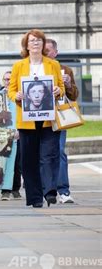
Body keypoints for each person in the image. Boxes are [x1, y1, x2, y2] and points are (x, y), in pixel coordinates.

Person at [8, 29, 64, 208]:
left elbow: (61, 87)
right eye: (32, 40)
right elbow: (11, 89)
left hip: (48, 118)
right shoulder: (19, 66)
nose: (35, 43)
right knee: (28, 159)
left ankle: (49, 192)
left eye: (39, 40)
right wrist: (16, 96)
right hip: (27, 119)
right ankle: (35, 197)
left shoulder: (53, 64)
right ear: (26, 45)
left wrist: (58, 91)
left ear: (43, 44)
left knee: (49, 155)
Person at [45, 38, 79, 204]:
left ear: (55, 52)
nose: (45, 52)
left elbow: (73, 96)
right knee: (40, 153)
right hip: (39, 116)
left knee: (59, 151)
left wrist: (68, 85)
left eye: (48, 50)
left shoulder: (64, 70)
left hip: (59, 116)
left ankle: (63, 191)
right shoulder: (35, 68)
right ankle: (43, 188)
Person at [0, 71, 22, 201]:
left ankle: (15, 189)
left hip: (17, 132)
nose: (8, 81)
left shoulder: (19, 95)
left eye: (10, 79)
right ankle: (5, 190)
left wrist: (19, 130)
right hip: (2, 133)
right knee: (4, 162)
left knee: (17, 162)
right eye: (6, 79)